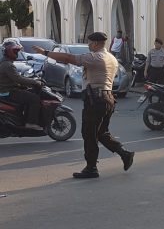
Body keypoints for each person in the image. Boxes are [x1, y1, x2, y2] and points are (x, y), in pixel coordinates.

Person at [32, 32, 134, 179]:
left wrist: (45, 52)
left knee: (89, 134)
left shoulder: (96, 57)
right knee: (101, 133)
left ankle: (91, 168)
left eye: (90, 42)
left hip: (96, 99)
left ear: (97, 44)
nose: (88, 45)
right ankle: (124, 153)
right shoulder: (111, 57)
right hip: (107, 98)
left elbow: (69, 58)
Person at [0, 40, 43, 130]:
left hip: (7, 90)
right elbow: (18, 79)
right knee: (34, 99)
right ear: (9, 52)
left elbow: (14, 79)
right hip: (7, 92)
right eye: (15, 51)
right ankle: (31, 123)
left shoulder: (6, 63)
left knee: (28, 93)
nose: (17, 53)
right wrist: (35, 82)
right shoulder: (7, 65)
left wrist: (25, 84)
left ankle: (23, 118)